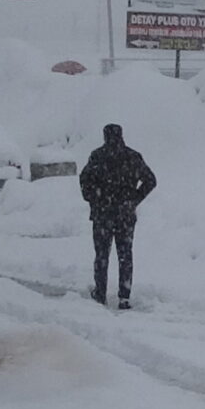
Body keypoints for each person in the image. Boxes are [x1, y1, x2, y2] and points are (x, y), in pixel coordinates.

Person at [79, 123, 157, 309]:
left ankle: (100, 293)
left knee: (101, 255)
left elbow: (84, 180)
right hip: (125, 215)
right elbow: (151, 180)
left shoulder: (97, 156)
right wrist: (134, 199)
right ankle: (124, 297)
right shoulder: (132, 157)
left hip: (102, 215)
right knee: (125, 255)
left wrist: (93, 199)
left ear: (105, 136)